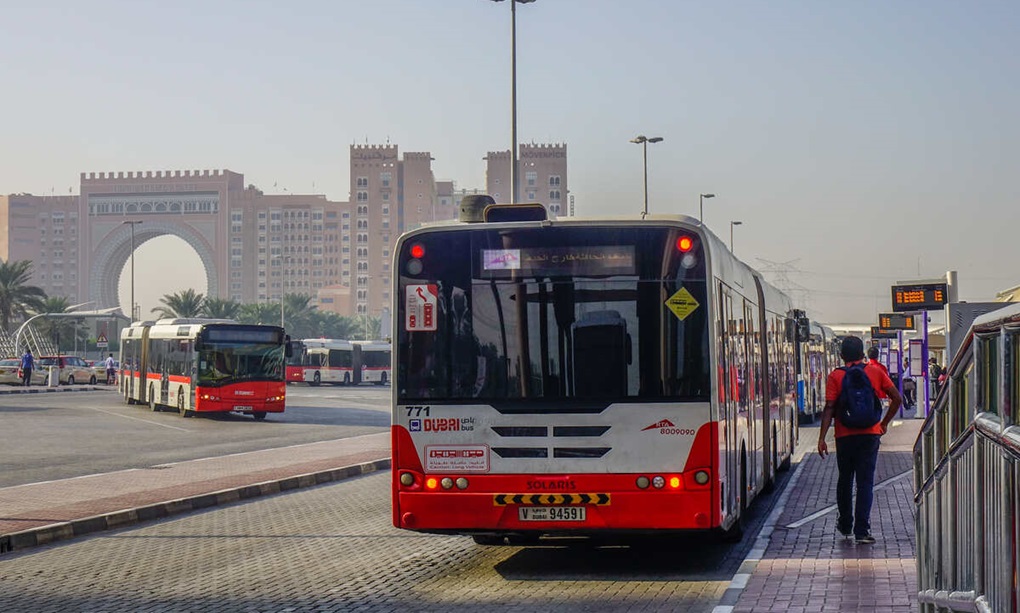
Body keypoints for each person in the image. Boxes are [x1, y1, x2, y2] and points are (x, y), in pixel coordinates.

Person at [817, 336, 901, 544]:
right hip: (870, 434)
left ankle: (845, 524)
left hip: (844, 436)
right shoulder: (875, 371)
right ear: (863, 354)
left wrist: (822, 438)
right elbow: (897, 398)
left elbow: (829, 407)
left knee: (845, 479)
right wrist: (884, 423)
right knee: (865, 483)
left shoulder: (835, 376)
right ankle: (862, 531)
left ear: (841, 355)